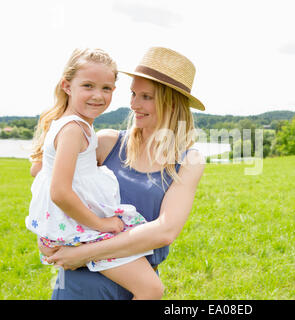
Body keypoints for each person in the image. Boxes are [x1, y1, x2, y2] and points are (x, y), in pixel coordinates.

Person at [39, 47, 206, 300]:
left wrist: (84, 253)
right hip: (79, 283)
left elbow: (164, 231)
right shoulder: (106, 143)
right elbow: (53, 183)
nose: (133, 104)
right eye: (133, 93)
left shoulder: (188, 161)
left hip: (135, 284)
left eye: (146, 97)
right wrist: (48, 236)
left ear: (172, 101)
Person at [27, 48, 164, 300]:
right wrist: (102, 224)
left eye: (107, 88)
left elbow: (39, 170)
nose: (98, 96)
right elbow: (59, 192)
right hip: (81, 229)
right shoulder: (74, 129)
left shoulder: (68, 123)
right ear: (67, 86)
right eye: (88, 86)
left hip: (71, 224)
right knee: (151, 289)